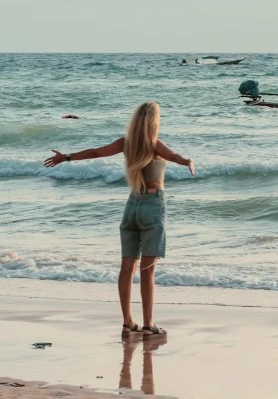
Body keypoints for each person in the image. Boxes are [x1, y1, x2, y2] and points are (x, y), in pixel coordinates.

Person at [43, 101, 195, 339]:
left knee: (127, 265)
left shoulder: (126, 143)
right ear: (155, 121)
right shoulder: (154, 143)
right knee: (148, 268)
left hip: (132, 206)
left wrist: (67, 157)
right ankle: (148, 324)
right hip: (152, 206)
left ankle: (127, 322)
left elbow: (95, 152)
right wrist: (187, 161)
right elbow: (173, 156)